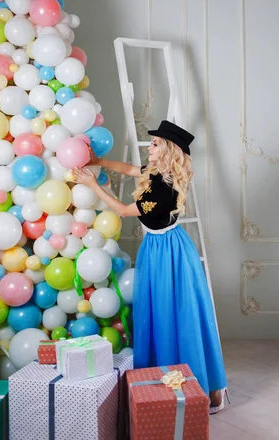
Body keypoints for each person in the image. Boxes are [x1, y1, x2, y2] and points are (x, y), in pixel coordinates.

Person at [72, 120, 228, 413]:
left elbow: (122, 210)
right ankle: (181, 385)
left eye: (155, 143)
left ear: (168, 149)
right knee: (165, 311)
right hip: (160, 247)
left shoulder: (164, 187)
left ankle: (204, 389)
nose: (150, 147)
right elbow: (130, 169)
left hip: (169, 252)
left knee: (177, 312)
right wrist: (99, 161)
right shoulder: (158, 172)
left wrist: (92, 184)